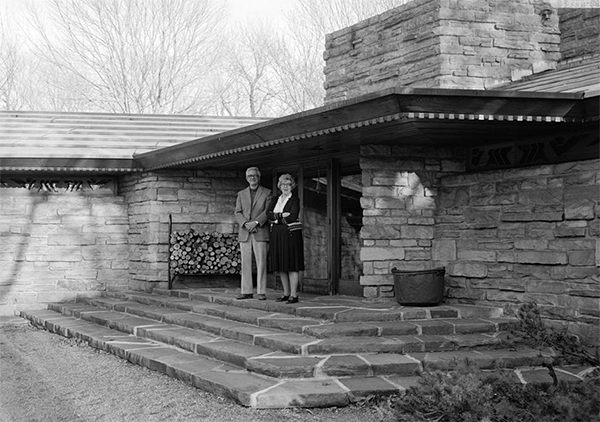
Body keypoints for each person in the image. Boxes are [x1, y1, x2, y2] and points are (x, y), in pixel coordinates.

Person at [267, 173, 304, 304]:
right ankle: (286, 293)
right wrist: (281, 216)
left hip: (290, 235)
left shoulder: (295, 199)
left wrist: (276, 218)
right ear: (280, 185)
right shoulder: (275, 198)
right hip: (277, 234)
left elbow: (293, 217)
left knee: (291, 264)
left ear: (292, 186)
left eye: (288, 184)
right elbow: (268, 214)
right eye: (283, 184)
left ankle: (294, 295)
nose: (286, 187)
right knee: (281, 265)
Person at [234, 167, 271, 300]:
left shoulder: (267, 192)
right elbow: (237, 212)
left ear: (259, 177)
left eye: (255, 175)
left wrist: (255, 222)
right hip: (245, 233)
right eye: (250, 176)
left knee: (261, 263)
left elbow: (268, 211)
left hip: (260, 231)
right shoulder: (241, 194)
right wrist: (245, 223)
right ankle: (246, 291)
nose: (252, 177)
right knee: (245, 263)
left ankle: (261, 291)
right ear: (246, 178)